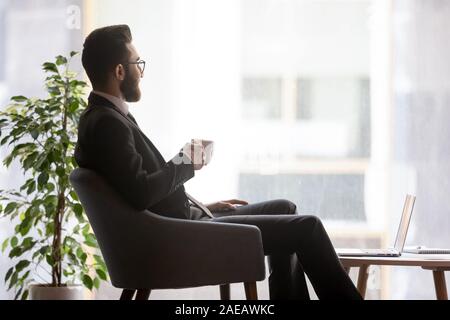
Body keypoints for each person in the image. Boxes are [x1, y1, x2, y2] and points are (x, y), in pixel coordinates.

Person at [75, 24, 362, 300]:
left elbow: (137, 188)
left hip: (181, 221)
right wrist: (187, 161)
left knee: (285, 208)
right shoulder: (107, 124)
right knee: (307, 227)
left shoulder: (105, 117)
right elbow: (140, 193)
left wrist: (201, 205)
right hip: (180, 235)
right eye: (138, 63)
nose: (142, 72)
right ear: (120, 71)